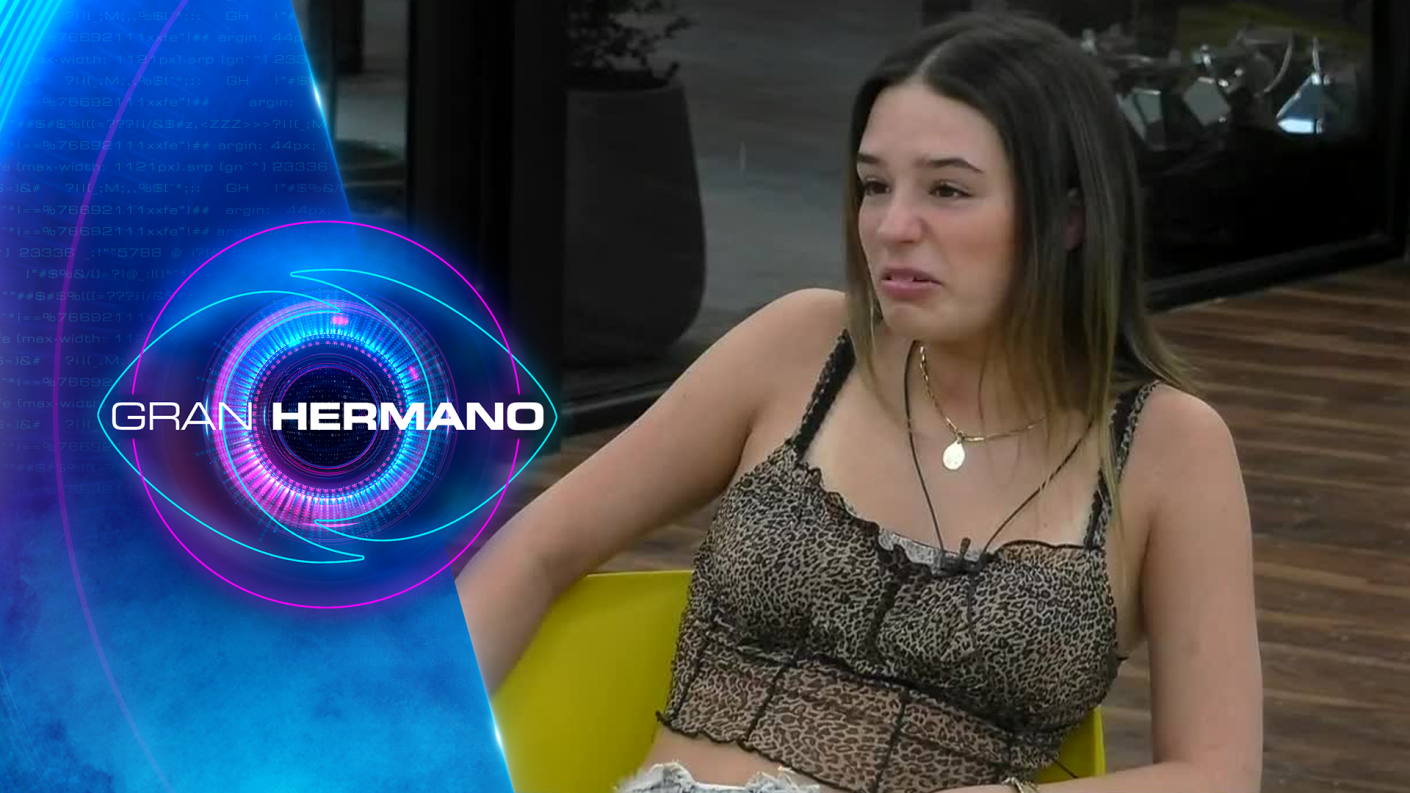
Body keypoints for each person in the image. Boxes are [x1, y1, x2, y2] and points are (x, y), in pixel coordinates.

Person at [457, 11, 1263, 793]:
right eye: (874, 185)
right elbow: (539, 549)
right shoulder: (801, 346)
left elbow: (1217, 772)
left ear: (1070, 217)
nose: (892, 225)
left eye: (948, 190)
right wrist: (406, 744)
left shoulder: (1167, 447)